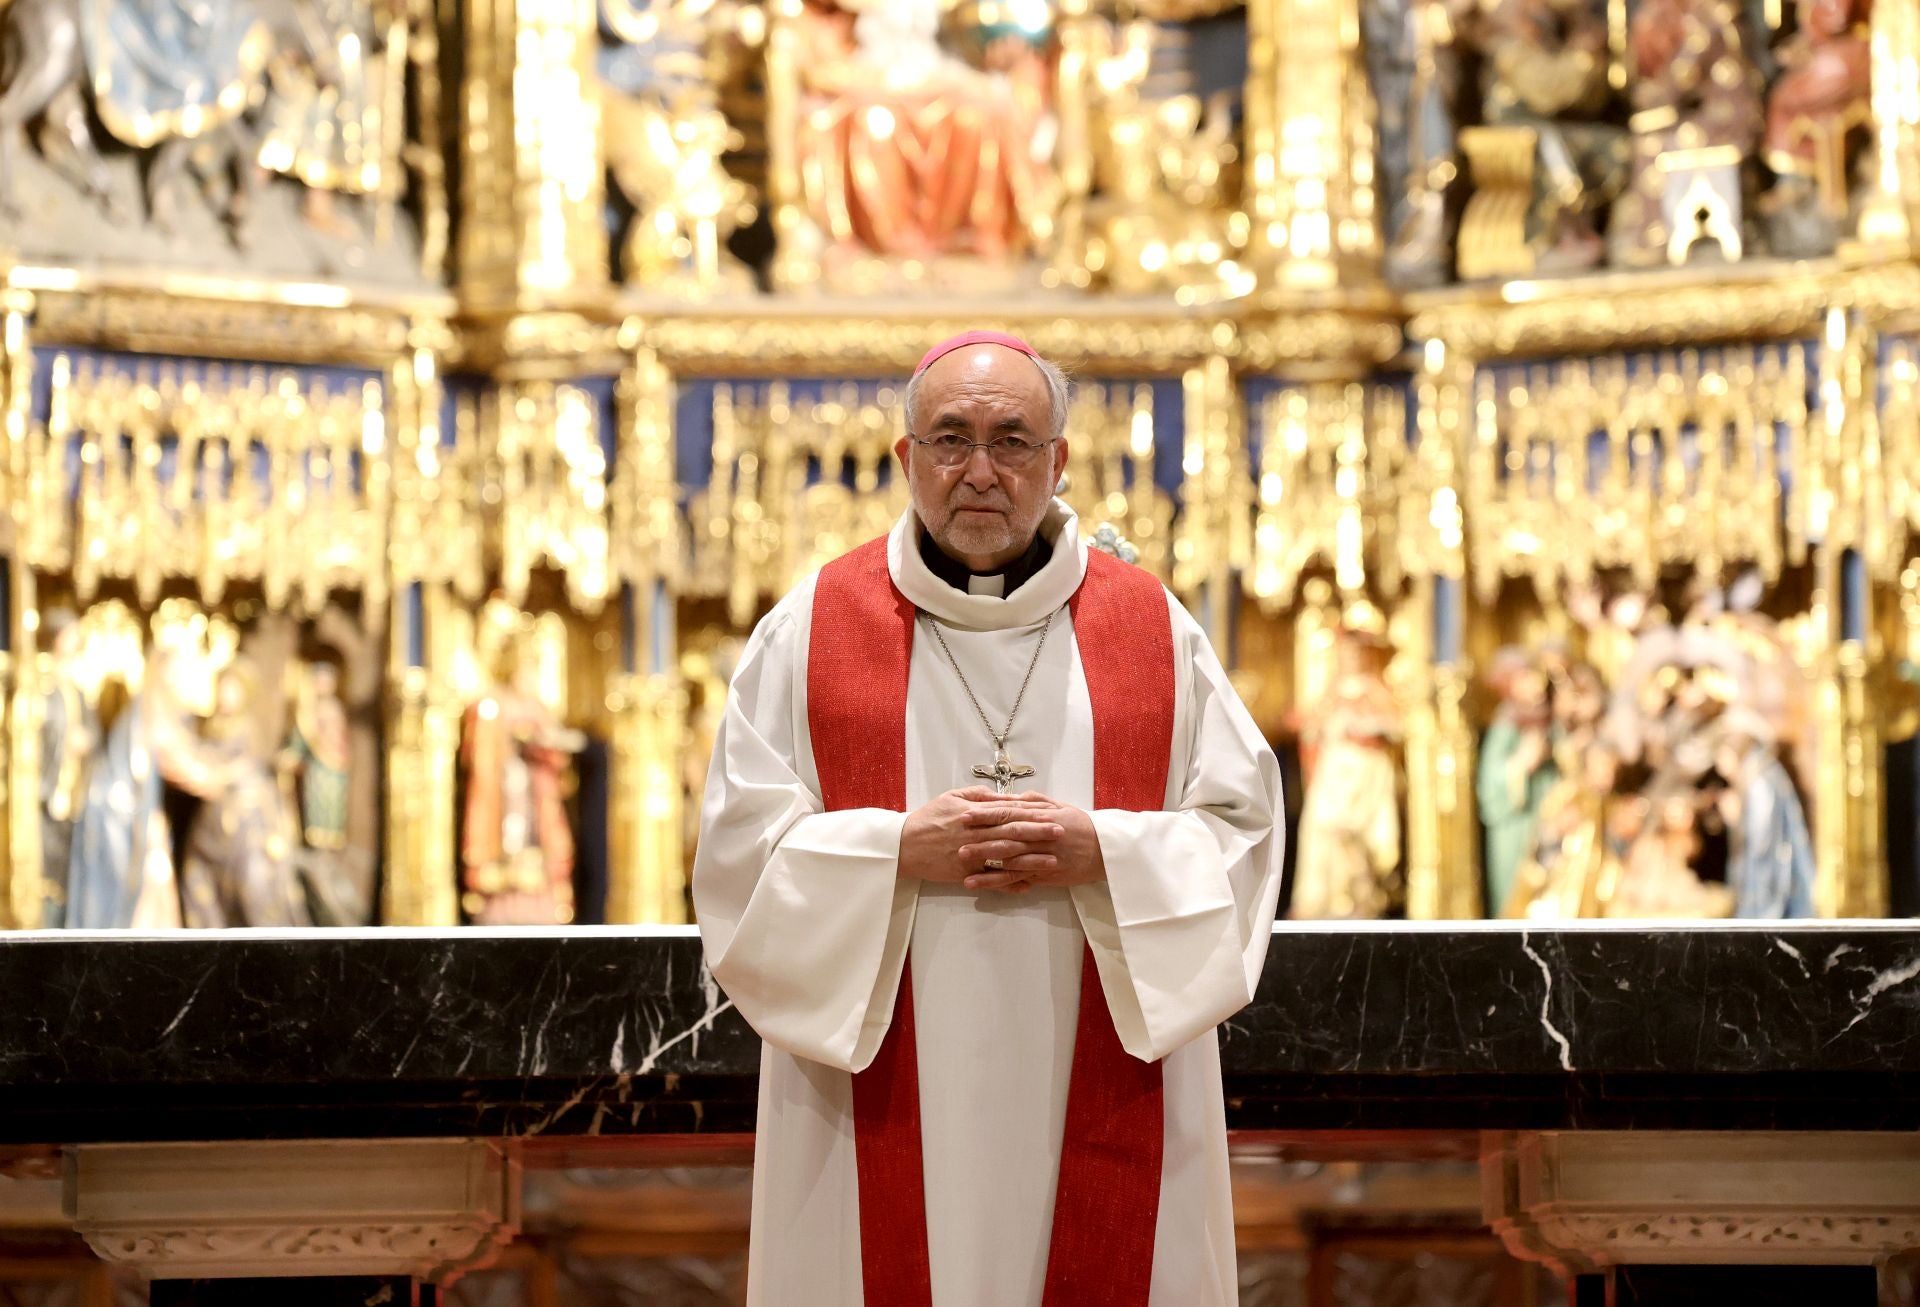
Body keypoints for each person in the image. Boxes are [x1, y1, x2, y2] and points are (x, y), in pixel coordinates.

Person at [694, 331, 1285, 1306]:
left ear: (1057, 462)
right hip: (873, 1090)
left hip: (1104, 1071)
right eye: (950, 438)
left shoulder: (1151, 627)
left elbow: (1242, 829)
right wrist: (893, 849)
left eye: (1012, 441)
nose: (979, 470)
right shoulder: (811, 627)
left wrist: (1106, 849)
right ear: (904, 459)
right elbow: (736, 853)